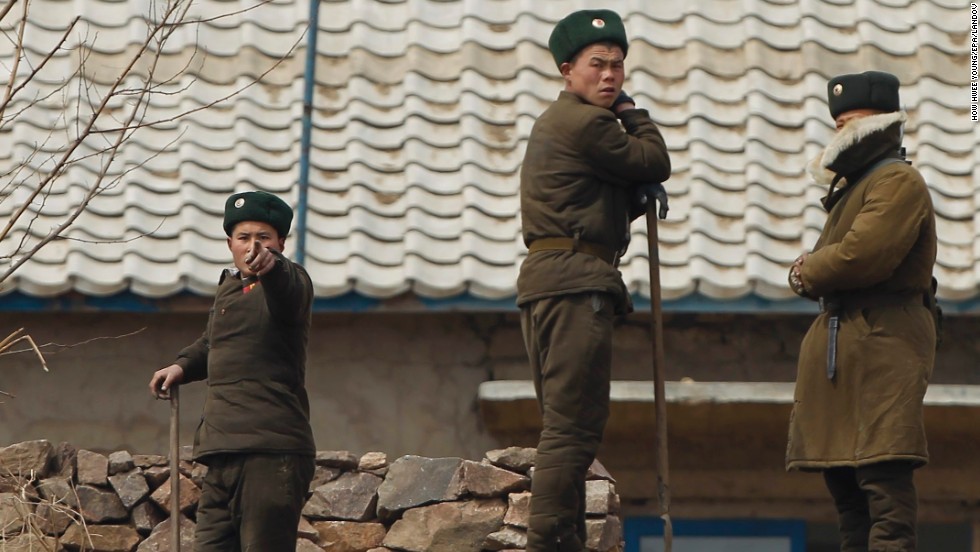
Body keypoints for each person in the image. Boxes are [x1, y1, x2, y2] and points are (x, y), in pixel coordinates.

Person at [517, 9, 671, 551]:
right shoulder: (586, 122)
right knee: (573, 428)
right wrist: (633, 111)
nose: (610, 76)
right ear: (567, 70)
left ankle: (564, 539)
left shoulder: (561, 126)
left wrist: (629, 200)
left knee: (570, 426)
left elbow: (583, 205)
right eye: (598, 65)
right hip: (574, 284)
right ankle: (547, 543)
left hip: (556, 278)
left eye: (618, 67)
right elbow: (654, 157)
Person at [786, 71, 938, 551]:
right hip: (849, 344)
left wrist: (806, 270)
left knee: (884, 482)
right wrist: (815, 270)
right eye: (837, 124)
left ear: (879, 122)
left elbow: (860, 254)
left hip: (883, 343)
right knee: (848, 494)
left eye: (851, 122)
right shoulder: (855, 187)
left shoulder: (897, 180)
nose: (841, 133)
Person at [149, 190, 316, 551]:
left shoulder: (291, 282)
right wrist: (181, 366)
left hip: (270, 450)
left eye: (263, 238)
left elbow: (284, 287)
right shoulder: (229, 290)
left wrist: (272, 267)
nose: (253, 246)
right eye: (244, 238)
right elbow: (212, 344)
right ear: (230, 243)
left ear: (280, 244)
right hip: (221, 449)